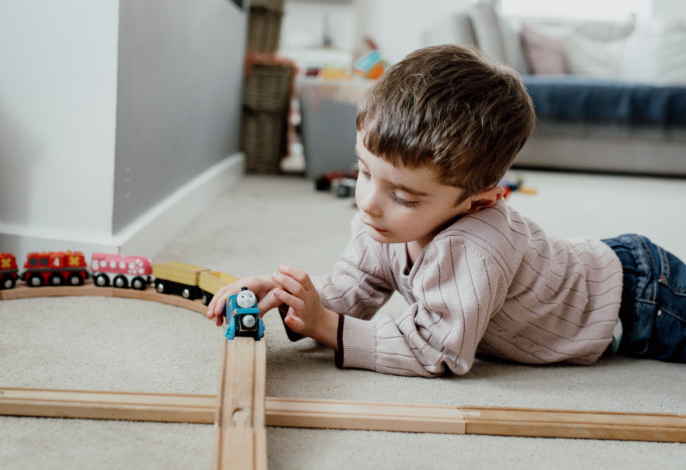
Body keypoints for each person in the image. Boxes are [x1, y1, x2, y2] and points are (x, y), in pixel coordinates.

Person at [207, 45, 686, 377]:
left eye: (404, 196)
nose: (369, 203)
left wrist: (328, 328)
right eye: (364, 171)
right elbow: (355, 289)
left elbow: (437, 350)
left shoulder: (476, 247)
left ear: (479, 200)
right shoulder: (382, 221)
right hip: (614, 277)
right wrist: (299, 301)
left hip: (644, 298)